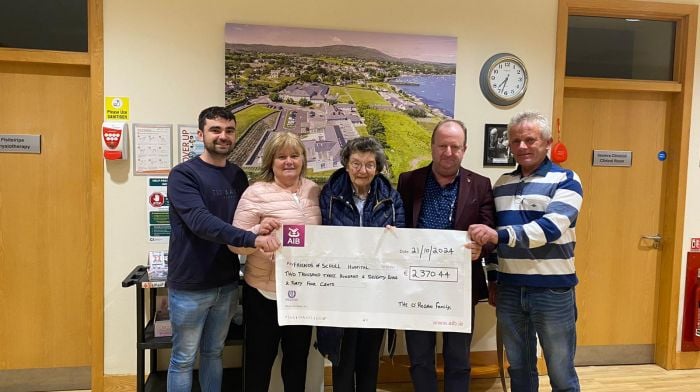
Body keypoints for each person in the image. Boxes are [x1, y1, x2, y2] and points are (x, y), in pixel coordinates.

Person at [166, 106, 280, 392]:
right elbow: (201, 222)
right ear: (201, 134)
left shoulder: (238, 176)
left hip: (227, 282)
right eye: (216, 130)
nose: (223, 136)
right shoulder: (183, 175)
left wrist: (263, 224)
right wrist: (252, 239)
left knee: (214, 353)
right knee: (182, 358)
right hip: (191, 284)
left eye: (229, 130)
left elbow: (244, 219)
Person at [469, 111, 583, 392]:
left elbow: (550, 229)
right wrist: (493, 278)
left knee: (560, 371)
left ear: (547, 142)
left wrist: (500, 235)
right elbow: (494, 243)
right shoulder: (501, 185)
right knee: (518, 368)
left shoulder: (567, 180)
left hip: (553, 292)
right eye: (516, 140)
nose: (522, 147)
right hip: (509, 291)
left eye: (530, 140)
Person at [397, 119, 496, 392]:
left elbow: (490, 230)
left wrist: (481, 246)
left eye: (455, 146)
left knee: (458, 358)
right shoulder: (409, 181)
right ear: (432, 146)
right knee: (419, 358)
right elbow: (399, 225)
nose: (448, 152)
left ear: (464, 149)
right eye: (442, 145)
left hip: (460, 287)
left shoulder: (480, 184)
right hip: (415, 286)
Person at [229, 131, 322, 392]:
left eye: (295, 155)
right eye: (281, 157)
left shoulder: (314, 190)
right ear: (271, 161)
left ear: (303, 159)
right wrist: (257, 231)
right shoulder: (256, 192)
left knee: (296, 362)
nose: (289, 161)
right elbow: (235, 243)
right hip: (263, 293)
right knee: (259, 363)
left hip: (300, 295)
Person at [316, 136, 406, 392]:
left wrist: (395, 236)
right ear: (346, 164)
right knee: (342, 359)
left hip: (375, 293)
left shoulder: (392, 199)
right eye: (356, 163)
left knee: (368, 360)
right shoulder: (329, 195)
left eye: (369, 164)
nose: (362, 171)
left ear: (377, 168)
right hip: (340, 292)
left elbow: (402, 242)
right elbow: (320, 238)